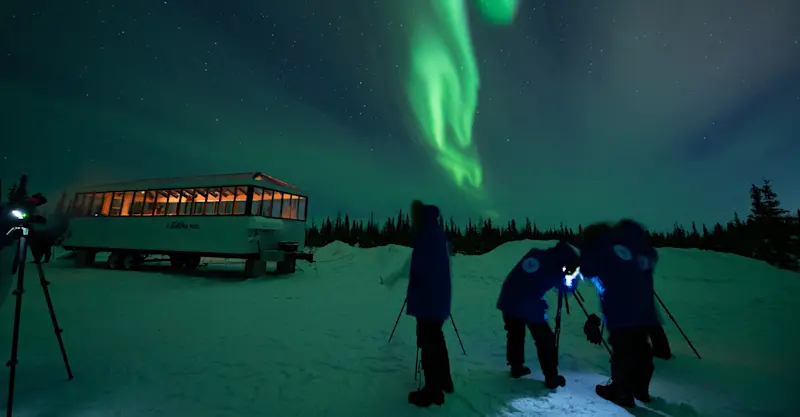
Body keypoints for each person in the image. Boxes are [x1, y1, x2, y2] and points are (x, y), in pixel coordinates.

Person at [580, 219, 661, 407]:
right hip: (644, 308)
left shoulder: (599, 245)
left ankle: (622, 392)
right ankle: (641, 390)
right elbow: (650, 258)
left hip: (621, 310)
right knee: (641, 348)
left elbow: (587, 269)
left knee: (623, 351)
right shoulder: (632, 244)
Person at [496, 240, 580, 389]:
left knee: (515, 333)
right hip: (527, 305)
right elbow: (567, 288)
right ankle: (551, 377)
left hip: (508, 297)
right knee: (545, 340)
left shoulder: (535, 253)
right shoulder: (554, 269)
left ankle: (516, 366)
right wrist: (573, 277)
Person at [404, 200, 453, 408]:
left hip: (428, 298)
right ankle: (444, 381)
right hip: (436, 297)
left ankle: (432, 391)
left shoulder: (427, 235)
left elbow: (421, 269)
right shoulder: (436, 233)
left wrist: (414, 287)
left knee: (428, 343)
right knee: (436, 339)